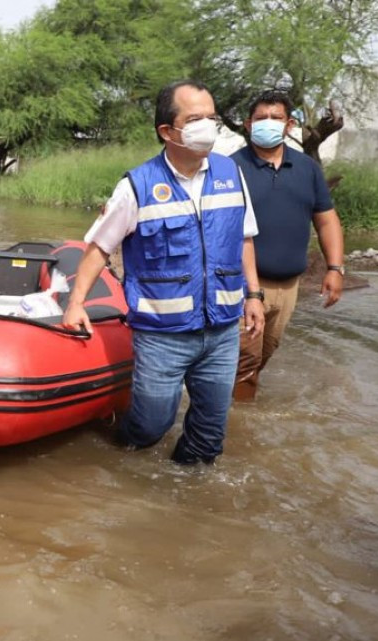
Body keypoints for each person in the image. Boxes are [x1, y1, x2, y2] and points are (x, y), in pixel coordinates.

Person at [61, 80, 265, 465]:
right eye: (195, 119)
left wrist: (253, 295)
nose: (208, 127)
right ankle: (121, 456)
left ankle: (186, 492)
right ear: (168, 131)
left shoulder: (231, 174)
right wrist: (76, 303)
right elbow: (99, 248)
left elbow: (244, 238)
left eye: (212, 118)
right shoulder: (137, 186)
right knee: (151, 426)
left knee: (209, 435)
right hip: (161, 335)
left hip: (221, 331)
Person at [229, 89, 345, 401]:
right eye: (260, 118)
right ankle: (238, 422)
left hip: (289, 288)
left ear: (289, 124)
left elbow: (326, 220)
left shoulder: (308, 169)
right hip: (243, 286)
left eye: (276, 117)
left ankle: (237, 406)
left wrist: (335, 268)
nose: (268, 123)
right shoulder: (229, 169)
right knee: (244, 362)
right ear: (248, 124)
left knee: (263, 356)